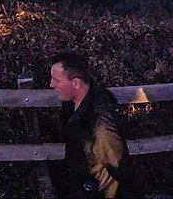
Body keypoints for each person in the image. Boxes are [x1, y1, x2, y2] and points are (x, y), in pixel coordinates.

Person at [48, 51, 140, 198]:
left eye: (56, 80)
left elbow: (122, 175)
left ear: (76, 83)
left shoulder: (100, 126)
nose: (51, 84)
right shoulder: (73, 109)